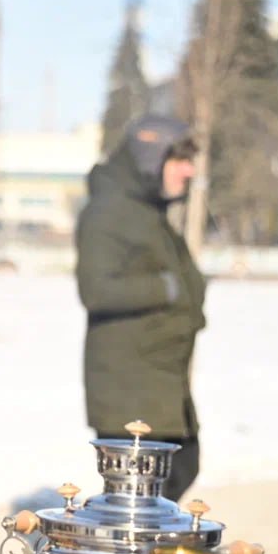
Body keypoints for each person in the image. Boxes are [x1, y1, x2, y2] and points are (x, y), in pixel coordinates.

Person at [75, 114, 205, 501]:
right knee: (139, 502)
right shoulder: (109, 211)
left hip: (161, 384)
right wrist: (166, 289)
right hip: (130, 392)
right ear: (152, 158)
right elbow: (95, 290)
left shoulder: (147, 212)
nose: (190, 170)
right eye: (180, 159)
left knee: (182, 468)